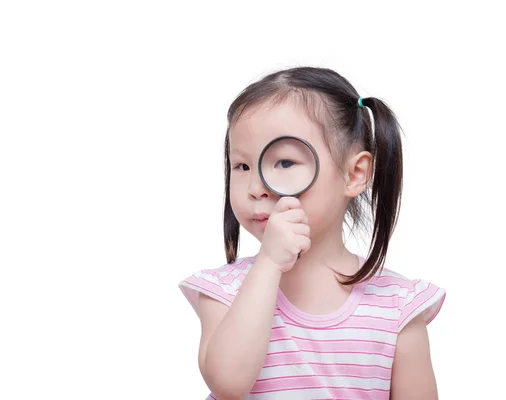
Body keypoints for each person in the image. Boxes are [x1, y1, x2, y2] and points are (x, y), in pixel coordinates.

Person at [178, 66, 445, 400]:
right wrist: (269, 263)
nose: (256, 188)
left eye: (285, 163)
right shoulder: (222, 291)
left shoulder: (398, 306)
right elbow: (228, 383)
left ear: (354, 174)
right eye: (242, 166)